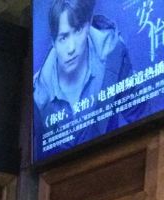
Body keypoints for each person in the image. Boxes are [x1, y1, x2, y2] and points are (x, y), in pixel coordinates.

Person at [33, 0, 134, 159]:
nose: (71, 48)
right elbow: (42, 159)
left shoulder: (113, 53)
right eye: (63, 38)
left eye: (78, 30)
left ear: (88, 26)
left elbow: (141, 113)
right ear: (53, 42)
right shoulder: (39, 96)